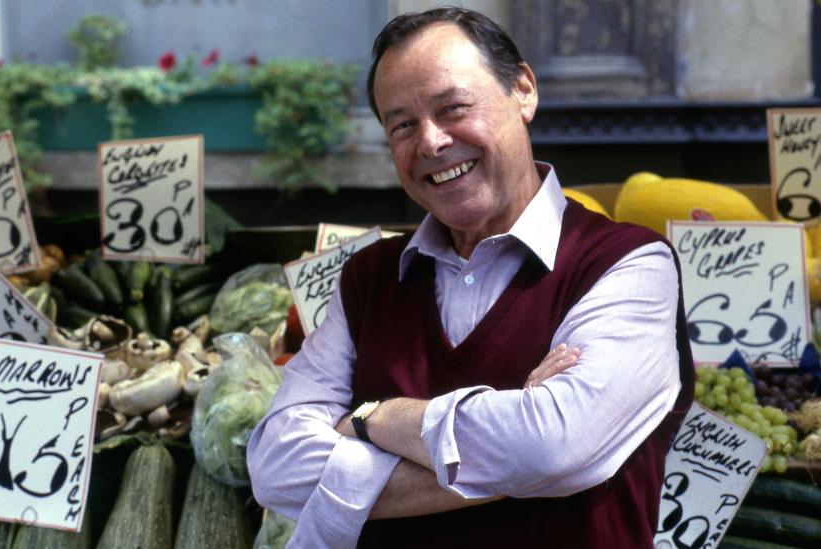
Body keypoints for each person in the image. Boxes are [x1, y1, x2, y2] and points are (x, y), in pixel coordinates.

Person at [247, 7, 694, 548]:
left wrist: (374, 418)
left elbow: (553, 447)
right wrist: (515, 459)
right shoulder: (368, 279)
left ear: (523, 90)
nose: (431, 142)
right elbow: (275, 467)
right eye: (402, 125)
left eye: (453, 107)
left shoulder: (630, 263)